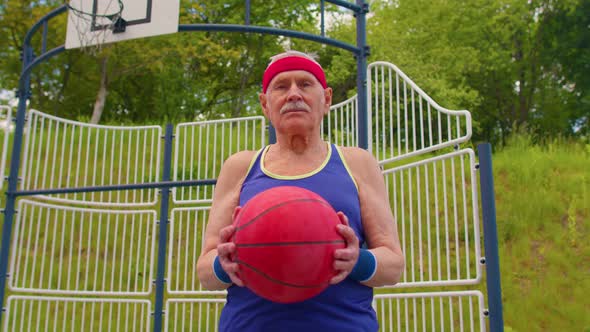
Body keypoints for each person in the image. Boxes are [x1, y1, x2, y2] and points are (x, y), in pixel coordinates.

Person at [196, 50, 405, 332]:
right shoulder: (240, 166)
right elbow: (205, 272)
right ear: (265, 104)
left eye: (305, 84)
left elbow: (393, 266)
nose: (293, 94)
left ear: (326, 99)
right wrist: (225, 264)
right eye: (281, 86)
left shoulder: (357, 163)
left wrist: (357, 260)